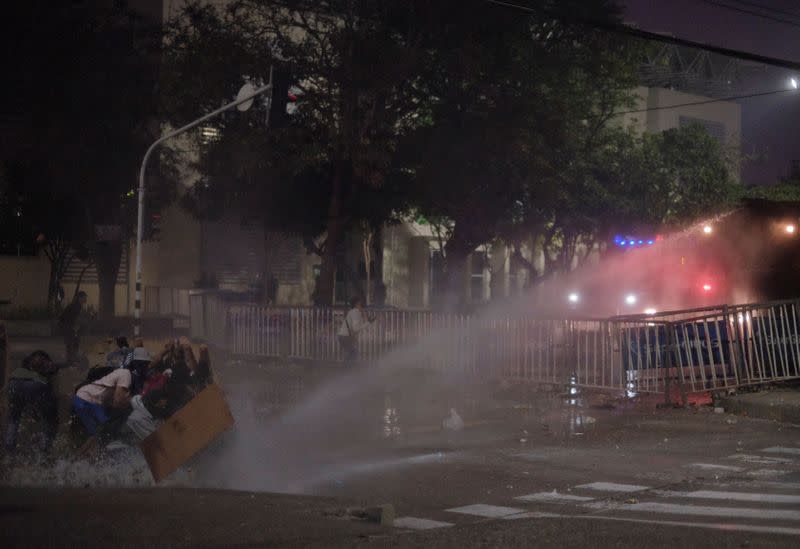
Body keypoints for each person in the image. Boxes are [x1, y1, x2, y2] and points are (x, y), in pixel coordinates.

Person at [4, 351, 59, 454]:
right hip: (35, 386)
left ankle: (9, 448)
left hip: (13, 384)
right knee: (50, 420)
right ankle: (44, 449)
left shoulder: (20, 370)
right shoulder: (42, 376)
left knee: (13, 418)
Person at [72, 366, 131, 437]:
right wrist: (129, 403)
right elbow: (117, 401)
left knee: (99, 432)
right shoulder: (125, 373)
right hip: (88, 399)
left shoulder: (116, 374)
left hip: (83, 398)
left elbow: (113, 401)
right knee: (104, 429)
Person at [337, 296, 375, 362]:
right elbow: (356, 328)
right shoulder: (355, 312)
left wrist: (367, 320)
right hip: (345, 337)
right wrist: (368, 323)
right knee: (354, 354)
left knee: (352, 354)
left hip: (344, 336)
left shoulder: (354, 312)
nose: (363, 304)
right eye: (361, 303)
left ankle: (346, 368)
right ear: (357, 304)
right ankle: (347, 369)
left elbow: (357, 326)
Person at [59, 291, 87, 366]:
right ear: (79, 298)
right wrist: (74, 327)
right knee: (71, 343)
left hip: (70, 327)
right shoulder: (75, 306)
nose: (85, 299)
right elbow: (71, 318)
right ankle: (70, 360)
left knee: (74, 343)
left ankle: (72, 359)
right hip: (69, 327)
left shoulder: (77, 306)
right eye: (84, 297)